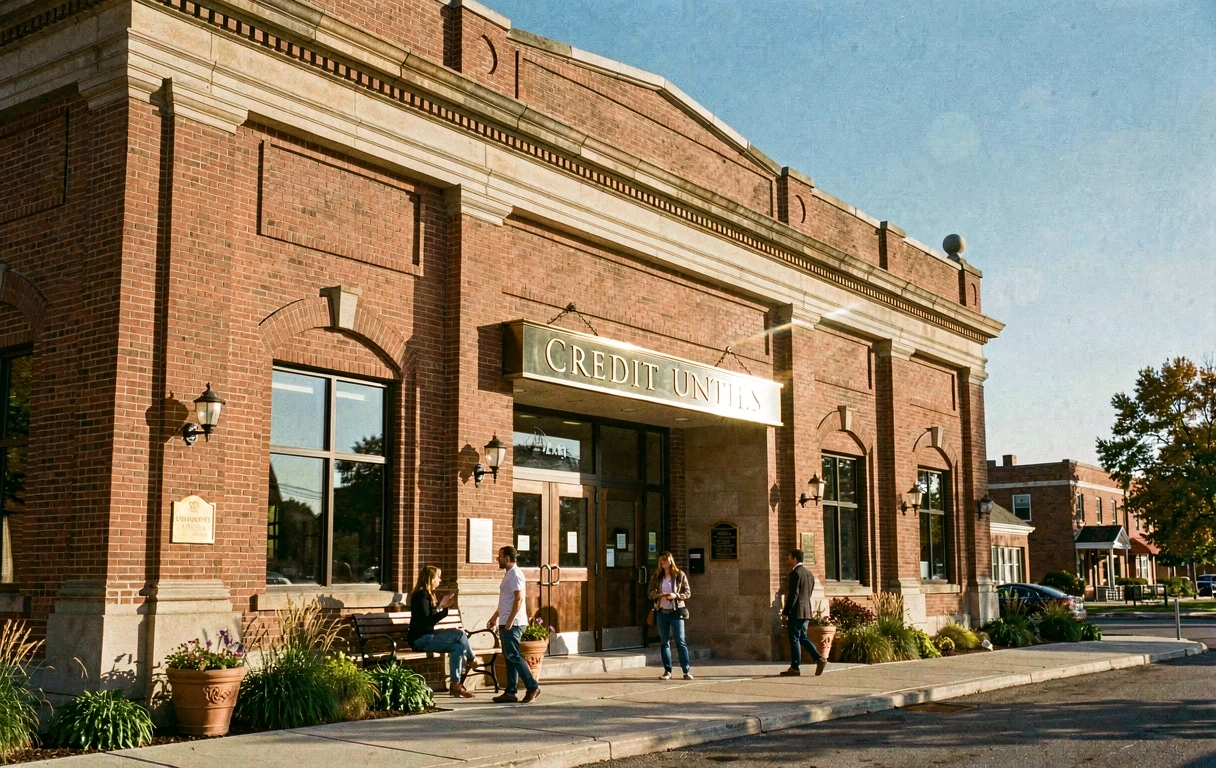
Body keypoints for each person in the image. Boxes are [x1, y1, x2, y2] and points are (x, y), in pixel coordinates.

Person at [408, 565, 478, 697]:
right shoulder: (421, 596)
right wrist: (444, 609)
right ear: (430, 579)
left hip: (427, 636)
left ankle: (455, 685)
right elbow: (427, 621)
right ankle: (472, 658)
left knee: (457, 647)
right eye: (438, 577)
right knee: (460, 634)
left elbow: (428, 617)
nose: (439, 580)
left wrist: (442, 607)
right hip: (420, 639)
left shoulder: (427, 595)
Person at [486, 546, 540, 704]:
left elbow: (519, 599)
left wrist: (509, 621)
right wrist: (495, 617)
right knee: (509, 657)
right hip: (506, 621)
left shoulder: (516, 574)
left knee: (513, 656)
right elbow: (506, 601)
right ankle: (510, 691)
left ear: (508, 558)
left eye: (500, 556)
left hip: (514, 623)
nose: (498, 559)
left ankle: (532, 686)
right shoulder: (509, 575)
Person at [781, 549, 827, 676]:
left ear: (795, 558)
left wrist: (786, 612)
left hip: (796, 612)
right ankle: (819, 658)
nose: (788, 558)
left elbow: (793, 595)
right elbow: (808, 593)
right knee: (803, 637)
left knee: (794, 639)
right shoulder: (809, 574)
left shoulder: (795, 573)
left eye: (789, 556)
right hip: (806, 610)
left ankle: (795, 668)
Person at [648, 551, 693, 680]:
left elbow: (687, 592)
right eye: (661, 561)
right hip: (662, 611)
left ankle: (686, 671)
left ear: (670, 561)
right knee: (664, 642)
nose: (663, 563)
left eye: (665, 560)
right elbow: (650, 592)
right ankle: (667, 671)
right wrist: (657, 595)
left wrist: (676, 596)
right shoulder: (657, 576)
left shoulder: (679, 575)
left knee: (680, 641)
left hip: (676, 612)